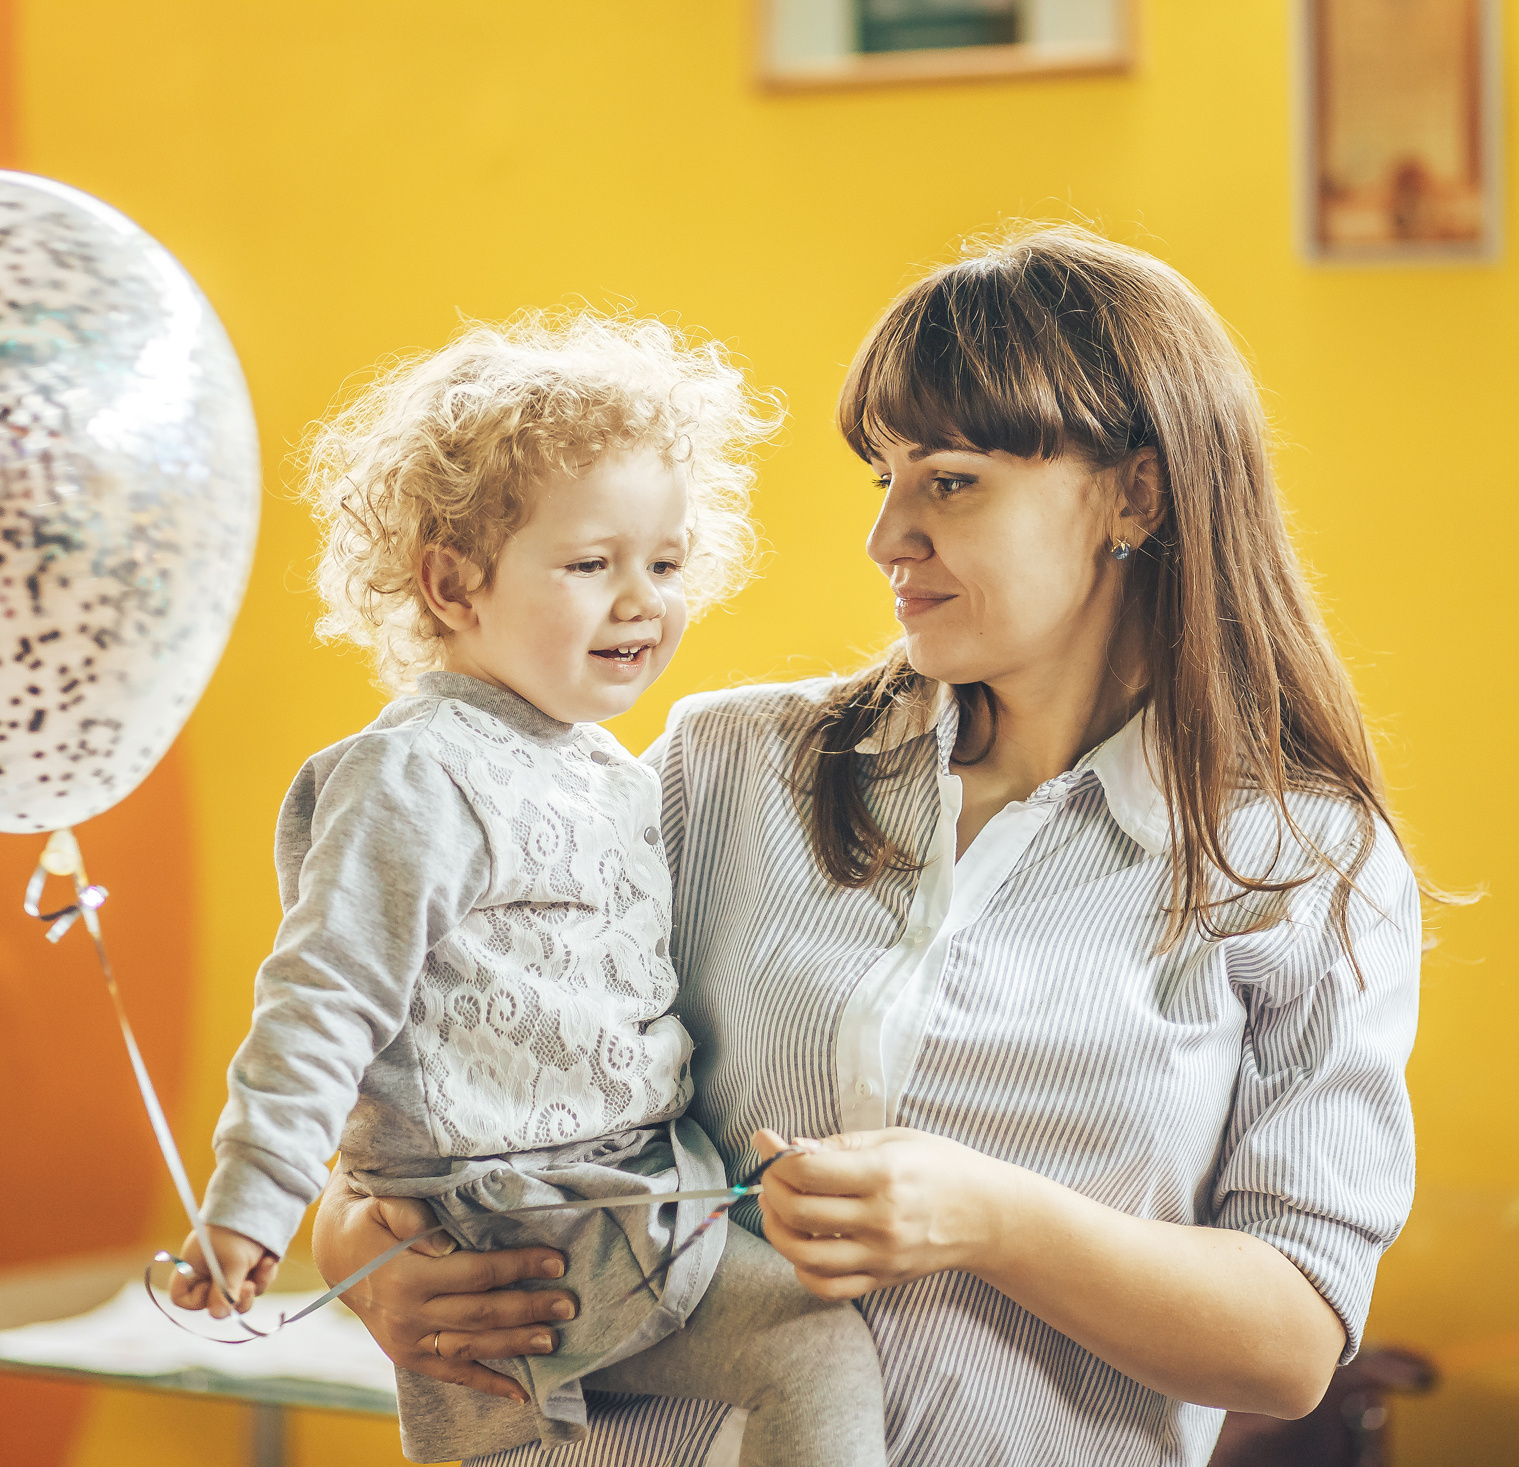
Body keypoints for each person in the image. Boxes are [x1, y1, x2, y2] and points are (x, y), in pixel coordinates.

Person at [313, 224, 1438, 1466]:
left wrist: (990, 1218)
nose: (886, 536)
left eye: (949, 480)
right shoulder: (728, 765)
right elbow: (468, 1070)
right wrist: (357, 1251)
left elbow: (1290, 1348)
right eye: (883, 479)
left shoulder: (1296, 862)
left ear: (1136, 493)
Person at [167, 312, 888, 1466]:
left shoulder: (601, 767)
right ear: (454, 583)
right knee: (811, 1346)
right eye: (590, 564)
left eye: (663, 563)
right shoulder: (415, 771)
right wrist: (256, 1201)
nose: (640, 600)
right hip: (523, 1213)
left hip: (618, 1191)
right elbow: (322, 998)